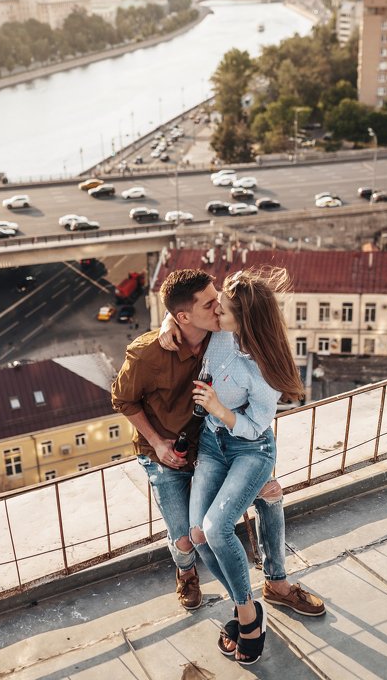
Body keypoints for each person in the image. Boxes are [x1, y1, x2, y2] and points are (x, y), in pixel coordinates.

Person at [110, 270, 324, 655]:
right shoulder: (186, 339)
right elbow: (123, 396)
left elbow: (257, 425)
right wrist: (168, 321)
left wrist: (223, 413)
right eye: (212, 305)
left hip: (238, 442)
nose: (216, 308)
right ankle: (210, 585)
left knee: (250, 506)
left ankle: (260, 600)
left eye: (219, 305)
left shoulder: (234, 341)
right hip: (187, 449)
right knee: (191, 538)